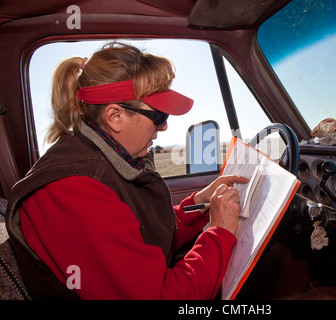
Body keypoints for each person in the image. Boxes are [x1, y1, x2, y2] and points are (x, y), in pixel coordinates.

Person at [6, 42, 249, 299]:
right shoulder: (74, 191)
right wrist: (218, 233)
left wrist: (200, 204)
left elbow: (144, 233)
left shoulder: (111, 158)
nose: (164, 127)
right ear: (115, 117)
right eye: (159, 116)